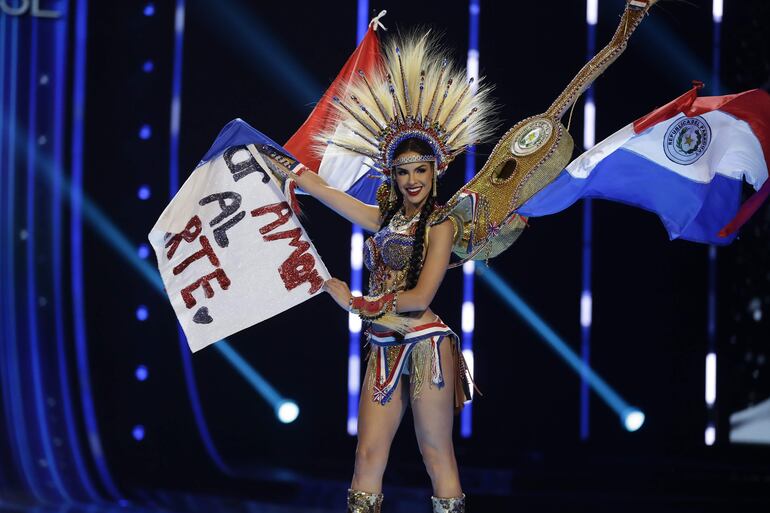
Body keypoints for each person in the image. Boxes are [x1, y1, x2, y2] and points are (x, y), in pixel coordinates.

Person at [287, 31, 496, 513]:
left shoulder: (442, 223)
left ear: (435, 170)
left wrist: (352, 302)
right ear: (392, 175)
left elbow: (420, 297)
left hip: (425, 344)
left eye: (420, 170)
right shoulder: (386, 219)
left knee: (435, 453)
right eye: (403, 172)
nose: (412, 180)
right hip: (383, 345)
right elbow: (328, 193)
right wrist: (292, 171)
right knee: (366, 457)